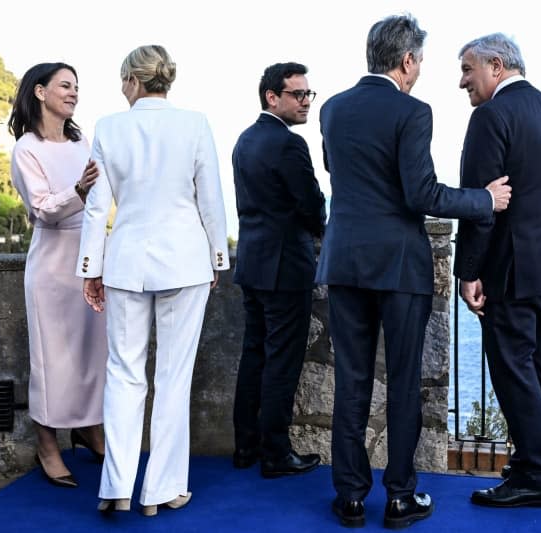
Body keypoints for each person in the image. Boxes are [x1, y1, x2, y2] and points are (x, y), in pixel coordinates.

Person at [317, 14, 512, 529]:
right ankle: (400, 497)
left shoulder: (333, 109)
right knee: (403, 384)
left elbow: (337, 171)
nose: (421, 71)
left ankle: (350, 498)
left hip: (343, 262)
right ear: (406, 61)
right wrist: (483, 200)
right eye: (421, 61)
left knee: (351, 383)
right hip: (400, 266)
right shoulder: (413, 111)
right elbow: (420, 194)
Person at [77, 45, 228, 517]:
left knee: (123, 375)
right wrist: (217, 259)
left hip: (125, 261)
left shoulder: (108, 128)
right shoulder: (195, 124)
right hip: (185, 262)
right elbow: (211, 200)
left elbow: (98, 208)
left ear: (132, 80)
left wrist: (91, 267)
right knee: (172, 378)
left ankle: (116, 487)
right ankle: (161, 491)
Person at [454, 33, 541, 508]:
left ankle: (533, 474)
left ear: (497, 66)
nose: (461, 80)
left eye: (468, 69)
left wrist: (469, 272)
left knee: (511, 366)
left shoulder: (490, 117)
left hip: (513, 266)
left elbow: (481, 202)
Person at [8, 62, 108, 489]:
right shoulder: (26, 149)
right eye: (65, 86)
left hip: (88, 257)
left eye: (76, 87)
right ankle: (47, 444)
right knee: (52, 359)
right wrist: (80, 191)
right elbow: (41, 209)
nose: (74, 93)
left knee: (93, 352)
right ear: (39, 92)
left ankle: (88, 427)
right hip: (51, 263)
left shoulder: (80, 140)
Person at [230, 62, 326, 478]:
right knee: (282, 361)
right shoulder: (288, 144)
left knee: (254, 355)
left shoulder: (244, 140)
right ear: (273, 96)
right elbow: (311, 205)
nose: (306, 102)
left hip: (252, 263)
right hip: (285, 267)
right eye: (298, 94)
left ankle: (245, 446)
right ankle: (276, 453)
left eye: (309, 95)